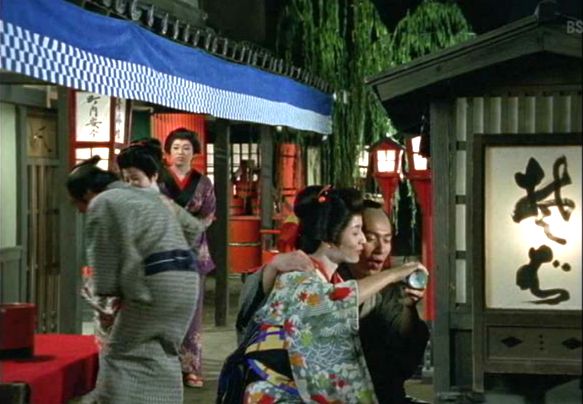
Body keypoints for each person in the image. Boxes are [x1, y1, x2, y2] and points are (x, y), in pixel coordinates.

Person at [220, 185, 425, 403]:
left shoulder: (334, 280)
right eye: (357, 232)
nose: (363, 241)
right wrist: (394, 274)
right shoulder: (296, 277)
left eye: (387, 239)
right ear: (330, 236)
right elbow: (334, 300)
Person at [66, 156, 199, 404]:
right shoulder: (150, 195)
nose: (79, 209)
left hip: (155, 282)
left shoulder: (104, 201)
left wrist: (106, 295)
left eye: (76, 203)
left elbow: (102, 257)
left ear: (87, 193)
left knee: (121, 352)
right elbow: (194, 228)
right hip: (186, 279)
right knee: (162, 349)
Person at [340, 200, 430, 404]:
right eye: (371, 239)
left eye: (387, 240)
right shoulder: (330, 281)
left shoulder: (392, 292)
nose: (380, 249)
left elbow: (404, 366)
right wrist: (392, 274)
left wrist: (408, 309)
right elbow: (339, 303)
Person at [159, 127, 216, 388]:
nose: (180, 153)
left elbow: (208, 215)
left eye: (186, 148)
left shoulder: (203, 183)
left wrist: (189, 229)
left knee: (193, 314)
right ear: (168, 152)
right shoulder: (158, 180)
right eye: (175, 148)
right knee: (164, 310)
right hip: (163, 247)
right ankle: (165, 366)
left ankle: (191, 366)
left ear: (195, 153)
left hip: (194, 250)